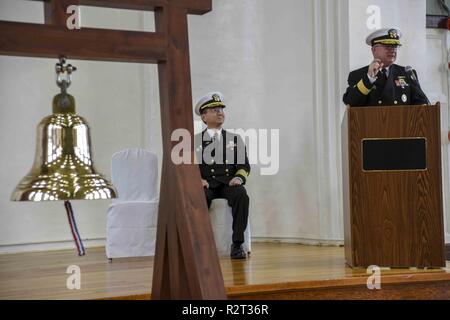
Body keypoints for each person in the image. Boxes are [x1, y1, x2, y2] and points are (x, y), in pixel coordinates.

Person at [194, 92, 250, 260]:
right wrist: (197, 180)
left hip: (228, 184)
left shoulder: (235, 139)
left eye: (221, 110)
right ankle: (200, 245)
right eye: (214, 110)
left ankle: (237, 244)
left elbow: (244, 165)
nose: (220, 113)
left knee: (241, 195)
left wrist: (239, 178)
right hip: (207, 184)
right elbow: (188, 167)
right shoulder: (194, 140)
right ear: (204, 117)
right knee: (197, 198)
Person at [343, 28, 429, 107]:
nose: (392, 50)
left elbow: (421, 102)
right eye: (387, 46)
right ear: (374, 50)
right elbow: (350, 102)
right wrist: (369, 78)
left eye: (395, 46)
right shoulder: (358, 75)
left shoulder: (407, 73)